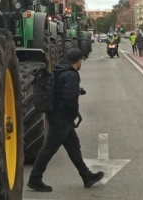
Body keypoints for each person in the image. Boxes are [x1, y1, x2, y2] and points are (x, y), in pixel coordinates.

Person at [28, 48, 104, 192]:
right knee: (48, 149)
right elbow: (69, 99)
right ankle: (35, 179)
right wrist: (73, 114)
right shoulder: (72, 75)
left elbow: (59, 89)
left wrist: (77, 91)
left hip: (58, 116)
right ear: (79, 61)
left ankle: (87, 176)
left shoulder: (59, 70)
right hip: (61, 119)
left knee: (74, 147)